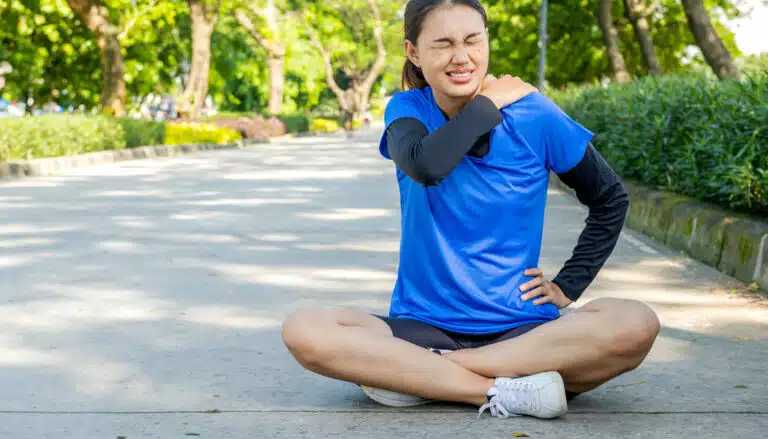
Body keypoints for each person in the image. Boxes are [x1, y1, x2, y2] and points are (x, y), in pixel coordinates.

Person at [282, 0, 660, 420]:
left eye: (472, 40)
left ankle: (422, 378)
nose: (461, 57)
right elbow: (428, 165)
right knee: (305, 330)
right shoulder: (408, 111)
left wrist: (568, 285)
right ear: (413, 53)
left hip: (524, 331)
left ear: (486, 43)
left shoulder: (535, 117)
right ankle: (503, 390)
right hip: (423, 327)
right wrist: (487, 104)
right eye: (442, 44)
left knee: (636, 322)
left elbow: (609, 198)